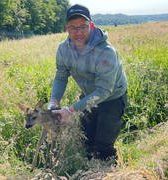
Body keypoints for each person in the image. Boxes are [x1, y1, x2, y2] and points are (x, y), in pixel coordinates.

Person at [47, 4, 128, 161]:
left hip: (113, 98)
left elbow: (104, 91)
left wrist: (70, 110)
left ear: (91, 25)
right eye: (73, 28)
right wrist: (53, 102)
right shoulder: (63, 49)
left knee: (103, 145)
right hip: (89, 95)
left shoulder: (106, 52)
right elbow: (61, 76)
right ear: (66, 28)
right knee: (87, 139)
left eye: (83, 27)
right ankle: (90, 171)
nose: (78, 32)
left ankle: (111, 171)